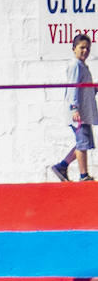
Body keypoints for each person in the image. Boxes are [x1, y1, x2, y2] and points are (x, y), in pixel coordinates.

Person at [53, 33, 97, 182]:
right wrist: (74, 108)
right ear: (74, 49)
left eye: (88, 48)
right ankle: (84, 175)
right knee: (82, 142)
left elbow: (84, 89)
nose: (85, 51)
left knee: (83, 142)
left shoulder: (83, 66)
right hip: (78, 113)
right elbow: (73, 87)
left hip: (84, 112)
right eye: (82, 47)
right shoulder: (75, 65)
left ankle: (62, 166)